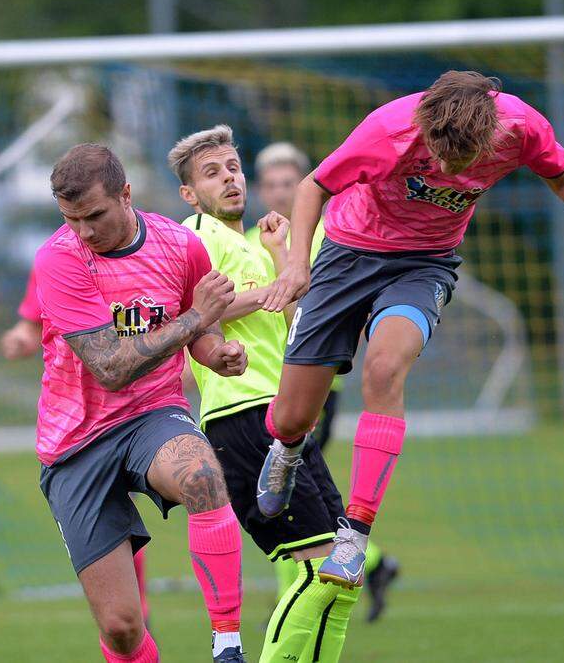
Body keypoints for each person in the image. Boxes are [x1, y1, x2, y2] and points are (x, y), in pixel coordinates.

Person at [258, 69, 564, 587]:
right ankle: (286, 451)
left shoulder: (521, 127)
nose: (444, 169)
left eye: (458, 159)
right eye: (437, 155)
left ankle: (354, 536)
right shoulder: (389, 129)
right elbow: (315, 186)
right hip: (350, 252)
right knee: (291, 418)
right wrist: (297, 266)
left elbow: (560, 173)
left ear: (490, 137)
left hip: (425, 264)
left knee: (384, 370)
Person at [34, 143, 247, 663]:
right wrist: (196, 321)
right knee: (123, 629)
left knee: (201, 475)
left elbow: (202, 323)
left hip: (151, 415)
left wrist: (216, 352)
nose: (84, 230)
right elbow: (110, 367)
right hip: (74, 445)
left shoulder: (179, 246)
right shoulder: (60, 259)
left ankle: (228, 644)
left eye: (95, 216)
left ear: (126, 194)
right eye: (71, 218)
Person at [168, 126, 365, 662]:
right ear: (190, 193)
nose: (229, 179)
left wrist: (281, 257)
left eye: (232, 167)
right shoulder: (192, 237)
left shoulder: (258, 240)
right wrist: (265, 294)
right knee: (316, 568)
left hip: (287, 420)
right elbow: (189, 313)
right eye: (212, 173)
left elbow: (297, 321)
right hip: (242, 417)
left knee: (342, 571)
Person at [252, 140, 401, 621]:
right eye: (270, 184)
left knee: (285, 496)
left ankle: (294, 597)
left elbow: (310, 316)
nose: (278, 193)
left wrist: (281, 265)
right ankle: (373, 562)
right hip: (259, 386)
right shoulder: (248, 237)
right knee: (292, 494)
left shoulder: (322, 239)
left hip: (313, 391)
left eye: (287, 185)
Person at [3, 270, 156, 628]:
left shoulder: (141, 255)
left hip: (142, 410)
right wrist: (21, 338)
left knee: (196, 480)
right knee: (110, 515)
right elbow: (32, 324)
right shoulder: (53, 261)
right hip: (80, 423)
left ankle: (212, 627)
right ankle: (132, 614)